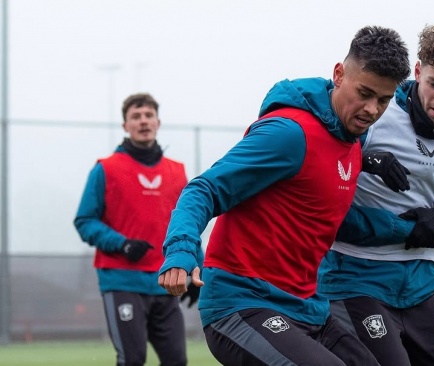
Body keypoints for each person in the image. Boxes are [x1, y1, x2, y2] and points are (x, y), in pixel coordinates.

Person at [157, 25, 411, 366]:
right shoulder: (288, 133)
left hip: (308, 309)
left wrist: (405, 221)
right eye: (364, 93)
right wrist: (181, 251)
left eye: (383, 99)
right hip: (241, 305)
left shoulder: (353, 142)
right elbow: (204, 189)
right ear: (339, 74)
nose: (371, 109)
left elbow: (323, 207)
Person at [318, 23, 434, 366]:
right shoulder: (374, 115)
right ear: (417, 72)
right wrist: (363, 161)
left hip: (419, 286)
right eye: (433, 84)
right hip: (354, 280)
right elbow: (325, 200)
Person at [74, 93, 198, 366]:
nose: (143, 121)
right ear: (125, 126)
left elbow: (188, 224)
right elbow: (84, 221)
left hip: (165, 282)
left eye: (148, 115)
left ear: (158, 122)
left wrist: (192, 269)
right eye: (136, 116)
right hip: (122, 282)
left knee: (177, 360)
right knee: (132, 359)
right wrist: (122, 243)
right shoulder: (105, 169)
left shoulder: (177, 173)